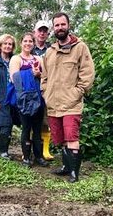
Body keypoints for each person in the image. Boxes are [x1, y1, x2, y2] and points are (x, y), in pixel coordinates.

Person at [40, 12, 95, 182]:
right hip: (53, 104)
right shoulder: (49, 51)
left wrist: (78, 92)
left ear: (68, 25)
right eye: (56, 25)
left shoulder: (80, 47)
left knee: (72, 137)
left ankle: (74, 173)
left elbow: (87, 74)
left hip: (72, 103)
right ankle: (65, 167)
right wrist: (45, 92)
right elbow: (44, 76)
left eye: (63, 24)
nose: (60, 28)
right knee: (60, 138)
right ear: (53, 28)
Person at [9, 32, 48, 167]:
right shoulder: (16, 59)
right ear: (21, 43)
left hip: (38, 98)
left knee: (38, 128)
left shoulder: (38, 58)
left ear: (33, 43)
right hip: (24, 99)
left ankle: (39, 156)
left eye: (30, 41)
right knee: (26, 127)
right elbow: (15, 78)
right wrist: (31, 73)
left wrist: (39, 73)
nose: (28, 44)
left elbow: (45, 76)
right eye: (25, 41)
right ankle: (26, 157)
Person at [32, 19, 54, 160]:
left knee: (46, 120)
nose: (42, 33)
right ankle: (28, 149)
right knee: (31, 119)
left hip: (47, 89)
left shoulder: (52, 50)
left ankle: (45, 150)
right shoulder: (28, 47)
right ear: (35, 32)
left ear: (47, 34)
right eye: (40, 30)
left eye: (45, 31)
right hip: (32, 90)